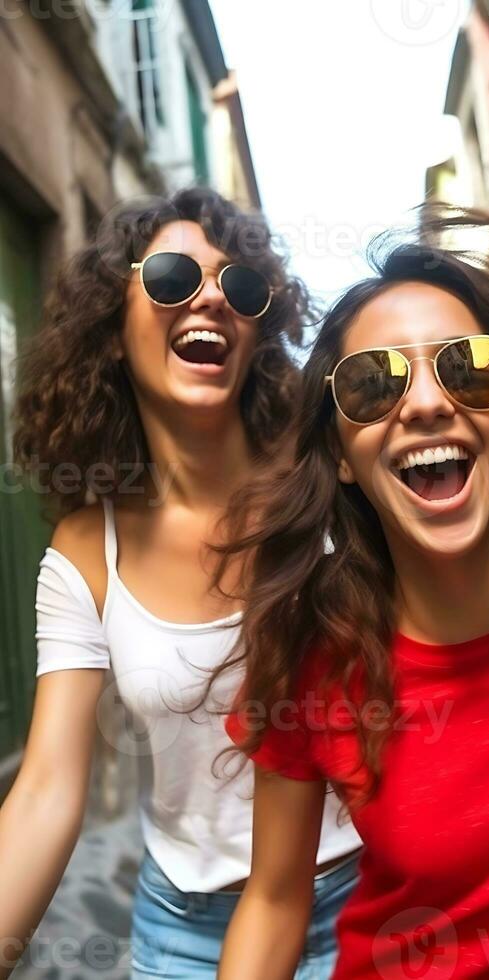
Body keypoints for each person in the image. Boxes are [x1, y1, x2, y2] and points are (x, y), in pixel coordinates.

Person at [209, 203, 489, 979]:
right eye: (372, 385)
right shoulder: (315, 661)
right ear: (344, 458)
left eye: (469, 368)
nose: (423, 403)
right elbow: (277, 901)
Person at [0, 187, 362, 980]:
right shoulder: (86, 550)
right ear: (111, 321)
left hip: (366, 899)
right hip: (183, 932)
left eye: (239, 287)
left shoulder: (326, 485)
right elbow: (49, 788)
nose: (210, 299)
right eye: (171, 276)